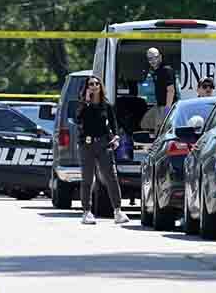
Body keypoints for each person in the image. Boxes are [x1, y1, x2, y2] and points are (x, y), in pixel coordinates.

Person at [75, 76, 130, 225]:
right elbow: (79, 120)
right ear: (87, 88)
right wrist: (86, 102)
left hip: (104, 144)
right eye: (90, 84)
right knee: (87, 178)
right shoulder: (83, 105)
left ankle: (118, 211)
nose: (94, 86)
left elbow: (113, 124)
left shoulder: (106, 105)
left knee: (111, 177)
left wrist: (116, 137)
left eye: (96, 84)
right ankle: (87, 212)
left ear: (100, 86)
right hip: (86, 145)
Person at [140, 48, 176, 133]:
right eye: (150, 58)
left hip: (166, 106)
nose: (153, 60)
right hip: (159, 105)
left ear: (160, 57)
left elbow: (171, 90)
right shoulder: (156, 71)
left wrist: (167, 109)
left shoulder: (166, 70)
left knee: (160, 130)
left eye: (155, 57)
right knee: (144, 123)